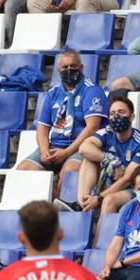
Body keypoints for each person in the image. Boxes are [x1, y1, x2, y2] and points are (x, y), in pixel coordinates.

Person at [17, 52, 107, 195]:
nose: (69, 70)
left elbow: (93, 127)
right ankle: (41, 208)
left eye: (73, 66)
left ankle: (59, 210)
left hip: (80, 147)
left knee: (69, 173)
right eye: (65, 67)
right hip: (55, 145)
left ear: (81, 68)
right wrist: (45, 150)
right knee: (24, 171)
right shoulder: (53, 93)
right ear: (59, 70)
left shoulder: (92, 91)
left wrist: (66, 152)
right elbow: (42, 127)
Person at [75, 94, 140, 215]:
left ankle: (101, 232)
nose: (116, 116)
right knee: (88, 159)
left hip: (133, 187)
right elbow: (83, 148)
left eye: (121, 112)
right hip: (111, 178)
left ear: (132, 117)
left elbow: (127, 179)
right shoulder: (107, 132)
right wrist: (110, 160)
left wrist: (99, 198)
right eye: (112, 113)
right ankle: (82, 202)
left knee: (109, 200)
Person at [102, 165, 140, 280]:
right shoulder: (129, 208)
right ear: (134, 189)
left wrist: (123, 262)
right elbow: (116, 243)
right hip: (128, 267)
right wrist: (108, 266)